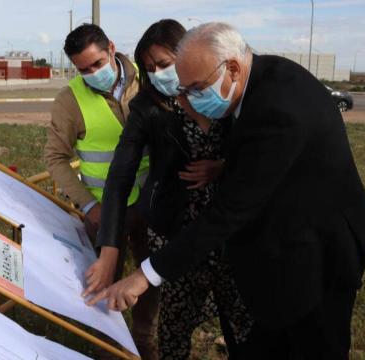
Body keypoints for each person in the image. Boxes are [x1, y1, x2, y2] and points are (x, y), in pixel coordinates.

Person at [88, 22, 365, 360]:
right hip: (278, 244)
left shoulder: (277, 110)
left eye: (195, 88)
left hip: (317, 254)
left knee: (313, 346)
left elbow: (229, 212)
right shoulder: (263, 78)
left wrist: (142, 276)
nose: (188, 99)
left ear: (233, 67)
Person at [83, 19, 253, 359]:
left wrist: (221, 167)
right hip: (174, 228)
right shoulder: (147, 107)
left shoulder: (221, 94)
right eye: (150, 68)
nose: (160, 74)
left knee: (242, 319)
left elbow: (256, 152)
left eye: (164, 64)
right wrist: (110, 247)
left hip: (229, 226)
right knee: (175, 323)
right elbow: (120, 176)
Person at [43, 23, 159, 358]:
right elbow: (55, 157)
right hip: (105, 212)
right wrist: (88, 206)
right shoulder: (70, 101)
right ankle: (110, 346)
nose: (93, 73)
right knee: (102, 283)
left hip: (150, 205)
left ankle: (142, 339)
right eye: (83, 70)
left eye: (97, 63)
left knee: (148, 277)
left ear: (111, 48)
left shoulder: (148, 78)